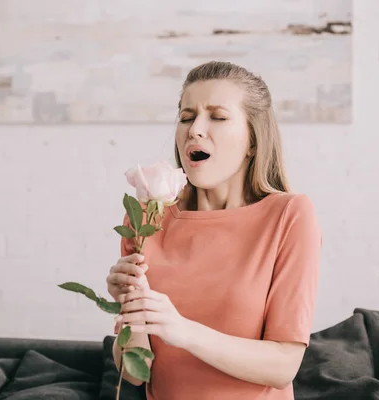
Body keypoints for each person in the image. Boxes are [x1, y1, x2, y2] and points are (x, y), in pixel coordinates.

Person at [106, 61, 322, 400]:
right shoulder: (147, 217)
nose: (194, 130)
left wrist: (180, 330)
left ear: (253, 140)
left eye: (217, 117)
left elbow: (283, 366)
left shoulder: (289, 216)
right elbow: (133, 375)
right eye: (187, 117)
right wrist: (130, 306)